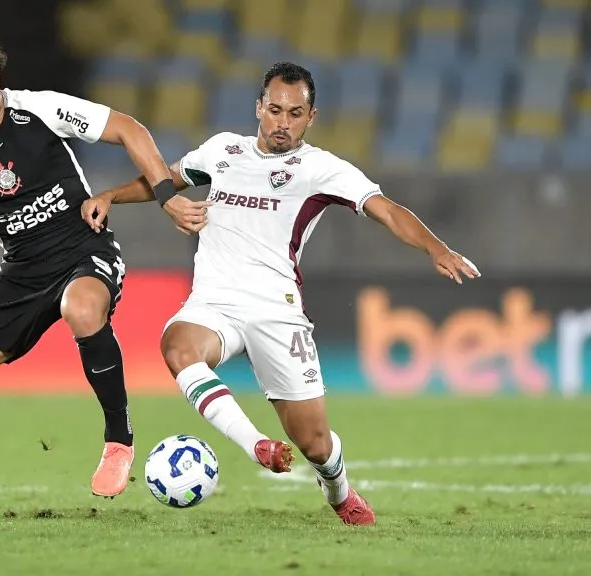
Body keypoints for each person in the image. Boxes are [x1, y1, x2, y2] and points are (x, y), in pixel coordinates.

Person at [83, 62, 481, 526]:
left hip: (277, 311)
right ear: (259, 107)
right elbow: (162, 182)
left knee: (315, 443)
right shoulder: (222, 151)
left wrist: (435, 247)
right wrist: (110, 195)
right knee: (177, 345)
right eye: (274, 110)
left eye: (295, 113)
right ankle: (256, 445)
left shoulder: (321, 169)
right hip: (215, 303)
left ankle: (340, 490)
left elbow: (387, 211)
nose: (282, 122)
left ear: (311, 118)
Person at [0, 26, 207, 529]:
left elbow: (129, 129)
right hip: (22, 270)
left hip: (85, 247)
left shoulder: (39, 108)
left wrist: (166, 196)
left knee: (81, 308)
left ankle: (118, 439)